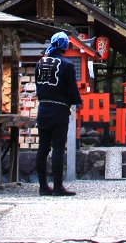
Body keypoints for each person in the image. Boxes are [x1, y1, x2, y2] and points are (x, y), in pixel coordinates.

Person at [35, 32, 83, 196]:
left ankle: (42, 186)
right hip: (59, 110)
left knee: (42, 148)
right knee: (57, 148)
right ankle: (57, 186)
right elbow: (72, 90)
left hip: (43, 109)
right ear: (65, 46)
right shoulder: (67, 64)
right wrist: (77, 101)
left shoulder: (40, 62)